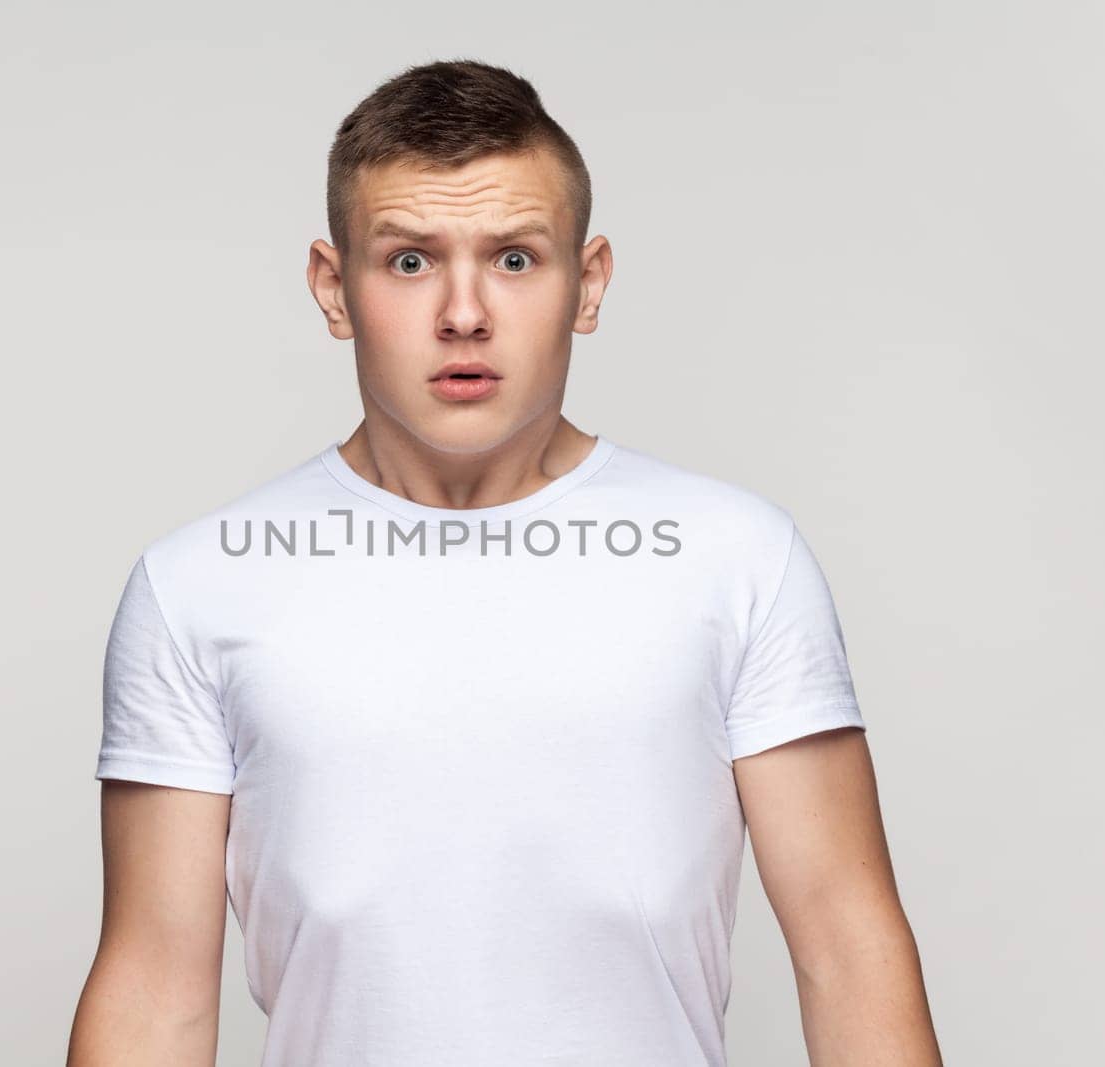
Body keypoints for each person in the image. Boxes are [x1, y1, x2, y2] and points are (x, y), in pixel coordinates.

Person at [67, 58, 942, 1067]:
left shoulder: (739, 556)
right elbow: (153, 985)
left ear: (589, 281)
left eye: (515, 259)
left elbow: (847, 942)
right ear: (332, 286)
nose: (464, 313)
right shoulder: (198, 583)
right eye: (408, 262)